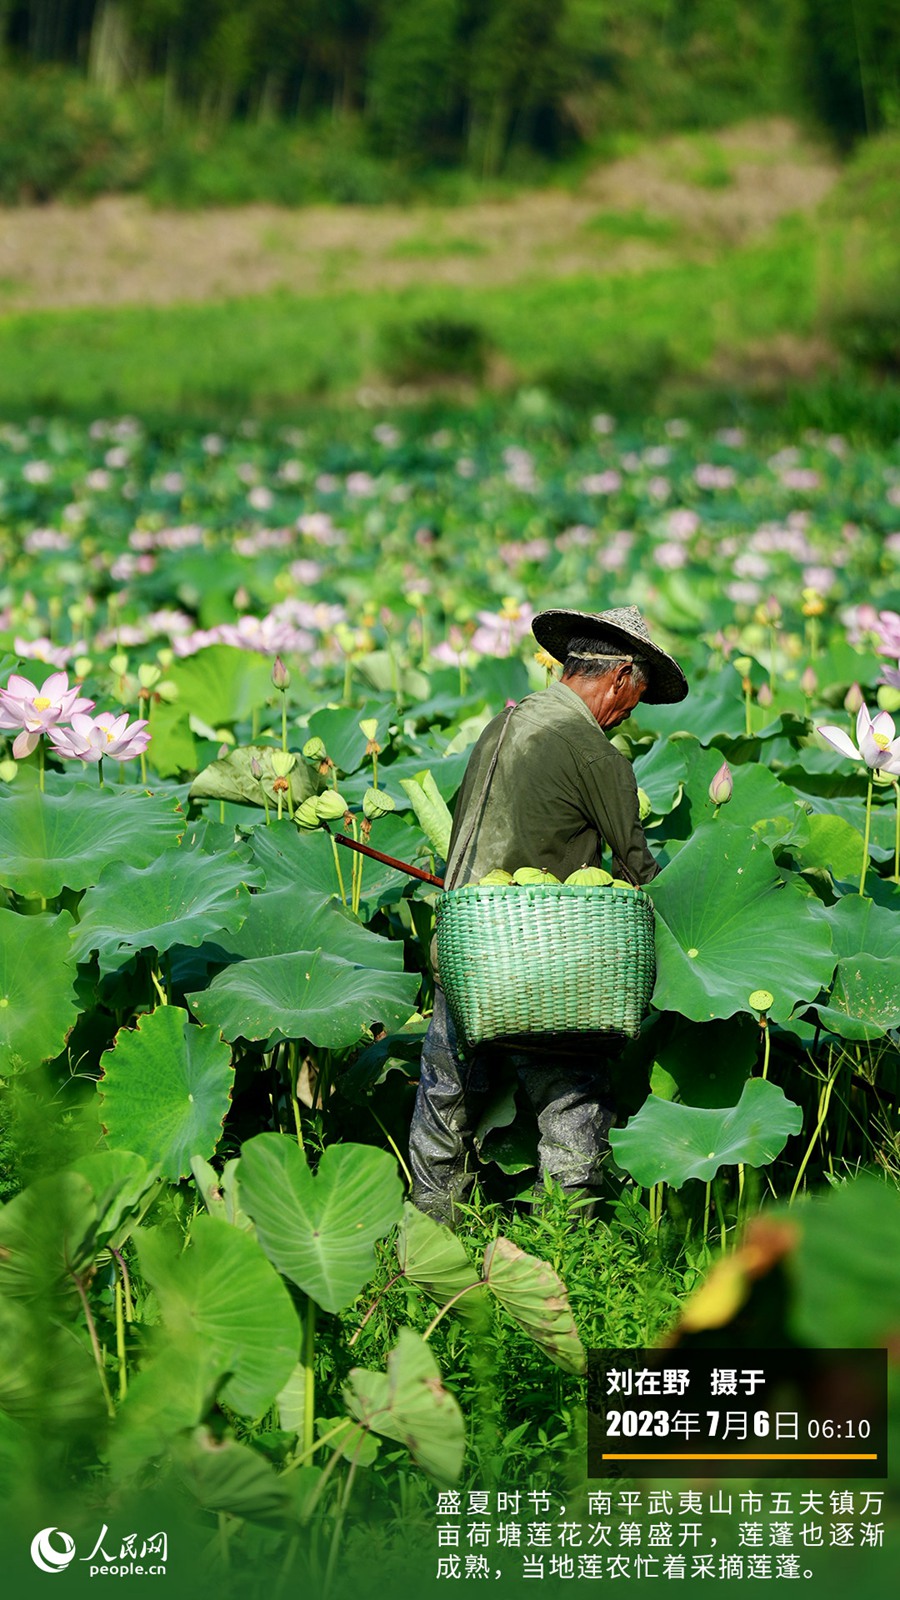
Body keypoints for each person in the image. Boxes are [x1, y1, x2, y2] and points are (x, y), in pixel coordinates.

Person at [408, 605, 688, 1224]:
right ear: (619, 677)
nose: (630, 715)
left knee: (444, 1104)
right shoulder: (595, 754)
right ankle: (568, 1253)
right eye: (635, 700)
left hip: (464, 949)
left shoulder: (500, 725)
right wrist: (696, 948)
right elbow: (640, 869)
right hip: (541, 959)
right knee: (571, 1106)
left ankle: (427, 1246)